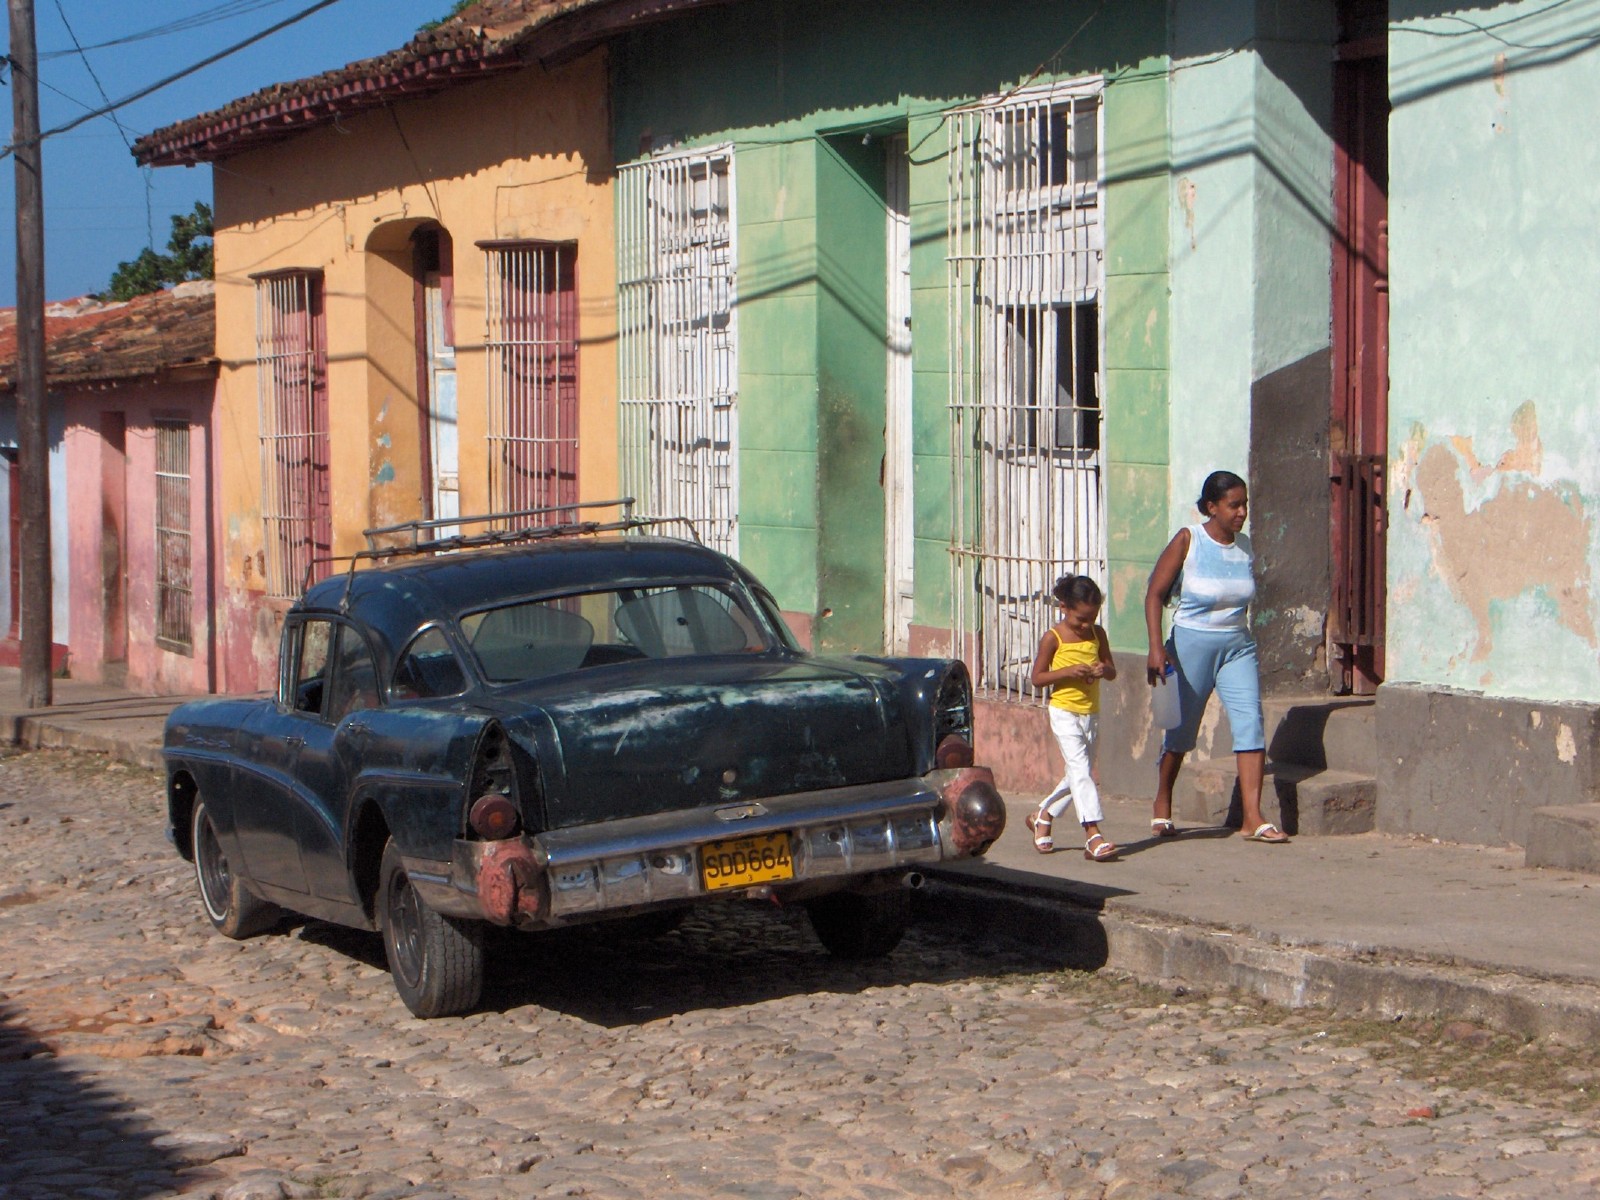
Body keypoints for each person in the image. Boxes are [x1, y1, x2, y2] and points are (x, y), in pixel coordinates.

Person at [1143, 470, 1289, 843]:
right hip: (1192, 644)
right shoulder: (1189, 541)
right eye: (1234, 505)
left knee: (1250, 723)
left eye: (1245, 505)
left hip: (1237, 644)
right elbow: (1155, 594)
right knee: (1181, 732)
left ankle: (1252, 818)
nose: (1242, 512)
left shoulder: (1245, 547)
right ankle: (1162, 802)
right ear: (1212, 507)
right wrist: (1157, 648)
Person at [1025, 574, 1120, 861]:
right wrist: (1068, 672)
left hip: (1090, 712)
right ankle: (1093, 834)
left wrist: (1103, 670)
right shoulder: (1052, 638)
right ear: (1064, 607)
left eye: (1091, 618)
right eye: (1080, 618)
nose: (1085, 625)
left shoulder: (1097, 634)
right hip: (1063, 710)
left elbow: (1112, 670)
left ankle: (1043, 814)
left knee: (1076, 774)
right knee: (1081, 770)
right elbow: (1037, 678)